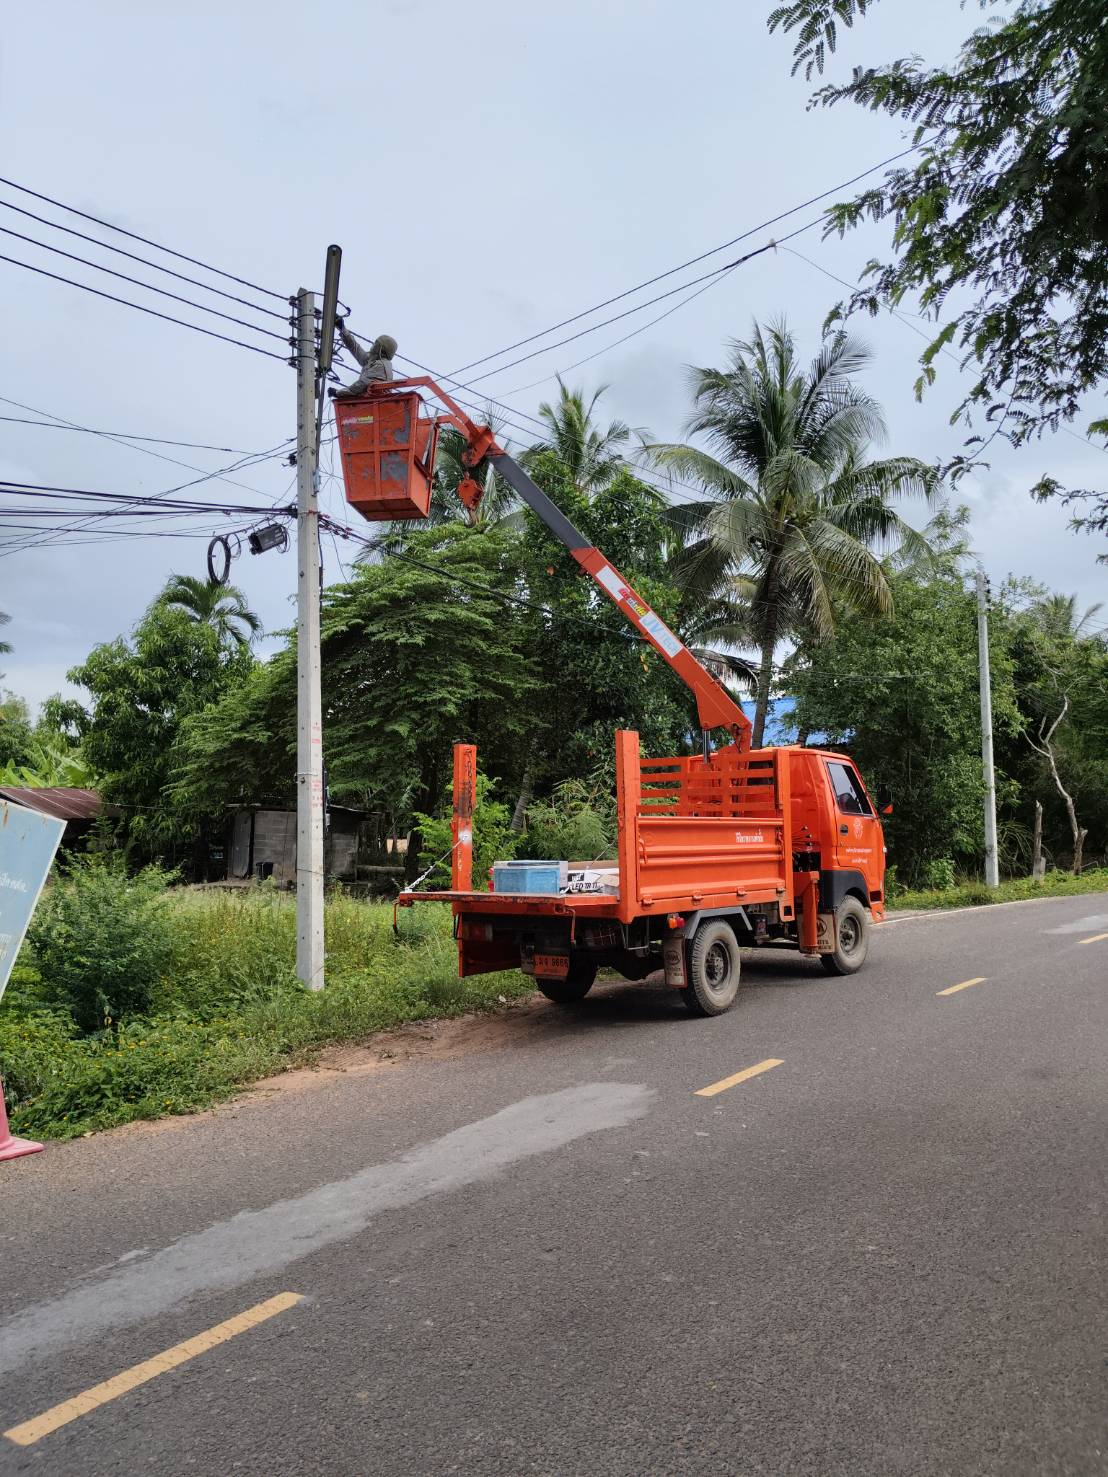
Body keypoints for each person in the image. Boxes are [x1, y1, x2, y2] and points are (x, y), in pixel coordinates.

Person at [330, 320, 398, 398]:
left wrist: (338, 393)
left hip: (371, 404)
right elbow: (355, 348)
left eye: (376, 344)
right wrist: (343, 329)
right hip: (370, 404)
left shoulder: (381, 365)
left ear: (381, 349)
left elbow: (362, 385)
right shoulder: (374, 361)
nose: (373, 345)